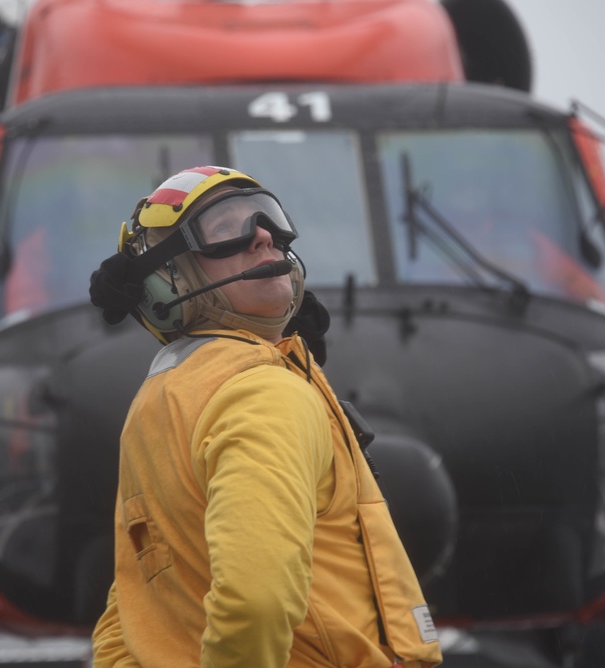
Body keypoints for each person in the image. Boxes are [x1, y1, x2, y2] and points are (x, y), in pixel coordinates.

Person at [88, 166, 442, 668]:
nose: (263, 236)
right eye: (224, 228)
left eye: (270, 221)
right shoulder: (262, 393)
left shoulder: (159, 402)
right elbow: (257, 603)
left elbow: (133, 612)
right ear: (172, 278)